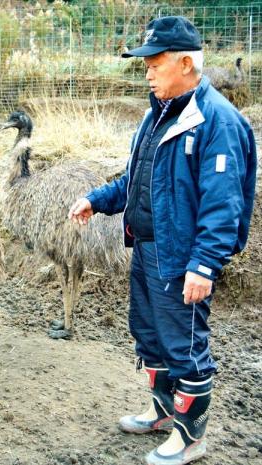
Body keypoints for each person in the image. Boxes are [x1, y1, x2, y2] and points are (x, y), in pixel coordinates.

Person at [68, 16, 257, 465]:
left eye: (154, 63)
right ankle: (162, 411)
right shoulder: (158, 116)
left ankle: (190, 438)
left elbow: (223, 204)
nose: (147, 73)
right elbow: (138, 182)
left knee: (185, 347)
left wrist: (204, 264)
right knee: (150, 337)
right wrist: (96, 200)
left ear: (187, 63)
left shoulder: (217, 122)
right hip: (148, 248)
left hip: (182, 258)